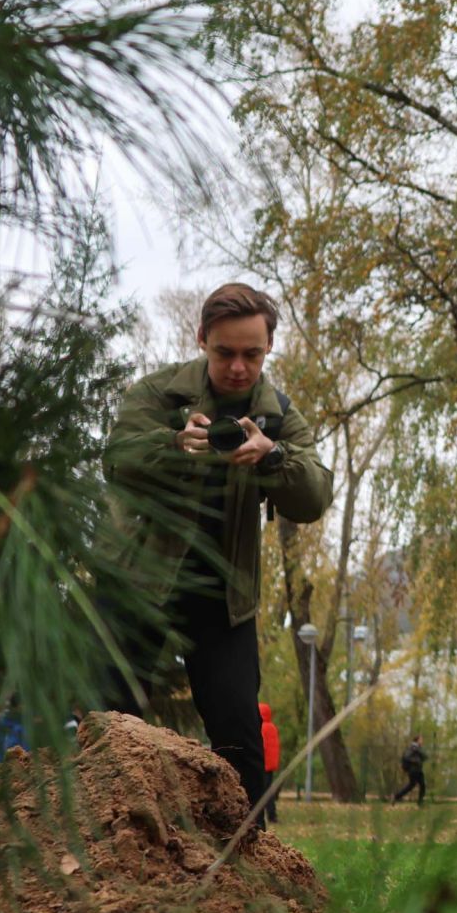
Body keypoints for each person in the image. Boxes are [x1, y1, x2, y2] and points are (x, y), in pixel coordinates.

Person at [101, 282, 334, 822]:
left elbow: (316, 495)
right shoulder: (158, 395)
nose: (237, 367)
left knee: (240, 744)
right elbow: (115, 461)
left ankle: (243, 870)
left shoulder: (277, 414)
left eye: (251, 354)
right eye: (225, 352)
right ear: (202, 338)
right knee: (108, 724)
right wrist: (173, 444)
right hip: (137, 586)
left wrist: (273, 458)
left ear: (268, 348)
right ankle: (97, 850)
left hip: (223, 598)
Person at [258, 703, 281, 824]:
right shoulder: (272, 727)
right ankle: (272, 815)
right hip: (270, 765)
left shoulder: (260, 728)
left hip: (262, 765)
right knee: (269, 791)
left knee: (260, 791)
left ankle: (260, 816)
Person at [392, 733, 427, 805]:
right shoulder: (413, 748)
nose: (422, 741)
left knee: (412, 786)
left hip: (416, 770)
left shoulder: (416, 748)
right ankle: (420, 803)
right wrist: (416, 761)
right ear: (417, 740)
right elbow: (406, 757)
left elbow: (424, 756)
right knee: (422, 785)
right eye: (421, 739)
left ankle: (396, 796)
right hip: (415, 770)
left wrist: (420, 759)